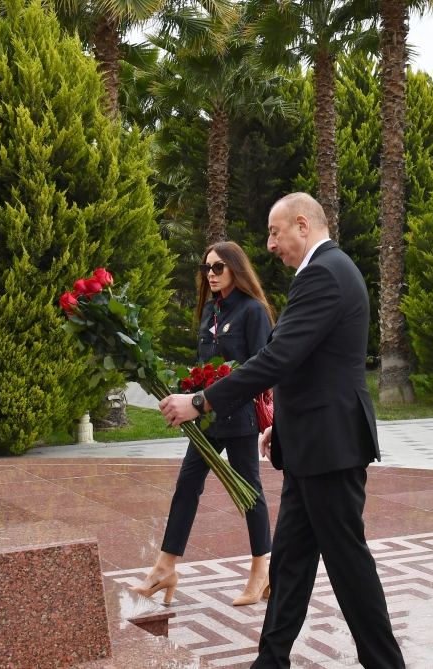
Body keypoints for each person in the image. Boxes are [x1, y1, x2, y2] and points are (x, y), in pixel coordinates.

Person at [159, 193, 405, 668]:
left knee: (349, 567)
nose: (270, 245)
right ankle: (270, 662)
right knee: (290, 564)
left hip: (330, 447)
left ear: (301, 225)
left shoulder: (324, 274)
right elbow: (312, 364)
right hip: (314, 443)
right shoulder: (330, 271)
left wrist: (201, 401)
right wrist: (285, 427)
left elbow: (277, 358)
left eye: (274, 232)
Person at [132, 241, 274, 607]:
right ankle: (165, 567)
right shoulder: (211, 310)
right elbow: (203, 364)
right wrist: (186, 400)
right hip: (207, 418)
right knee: (186, 485)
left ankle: (262, 571)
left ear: (235, 269)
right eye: (206, 268)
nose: (210, 274)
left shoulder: (253, 311)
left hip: (239, 418)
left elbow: (260, 371)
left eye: (218, 268)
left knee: (249, 493)